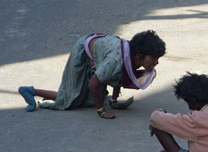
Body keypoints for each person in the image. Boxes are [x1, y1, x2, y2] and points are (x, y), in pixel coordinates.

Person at [18, 30, 166, 119]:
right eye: (153, 58)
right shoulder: (116, 60)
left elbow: (122, 74)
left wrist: (113, 101)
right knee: (72, 98)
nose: (156, 63)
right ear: (140, 55)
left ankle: (107, 100)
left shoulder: (132, 55)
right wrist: (102, 111)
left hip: (99, 52)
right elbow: (93, 84)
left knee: (93, 96)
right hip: (84, 51)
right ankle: (30, 91)